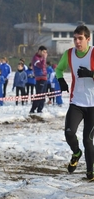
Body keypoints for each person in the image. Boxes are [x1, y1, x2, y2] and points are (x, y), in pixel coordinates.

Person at [56, 25, 94, 180]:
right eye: (75, 38)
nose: (77, 42)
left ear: (88, 39)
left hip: (93, 105)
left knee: (88, 139)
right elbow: (59, 69)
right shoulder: (69, 54)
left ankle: (90, 171)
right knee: (69, 132)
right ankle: (76, 153)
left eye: (80, 38)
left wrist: (91, 74)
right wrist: (61, 81)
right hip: (76, 102)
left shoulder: (93, 53)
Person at [29, 45, 48, 113]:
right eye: (43, 52)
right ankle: (33, 109)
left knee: (43, 95)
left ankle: (40, 109)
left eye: (46, 52)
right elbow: (41, 66)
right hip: (39, 78)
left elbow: (44, 67)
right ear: (39, 51)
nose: (44, 54)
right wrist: (44, 58)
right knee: (39, 95)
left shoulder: (42, 58)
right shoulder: (36, 58)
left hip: (44, 77)